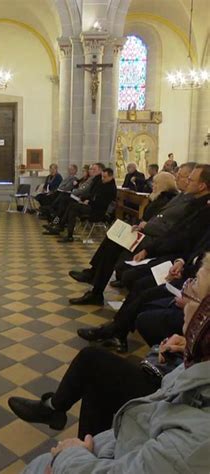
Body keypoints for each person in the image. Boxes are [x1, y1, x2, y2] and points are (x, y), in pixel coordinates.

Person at [16, 254, 210, 474]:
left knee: (96, 364)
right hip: (130, 437)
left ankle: (56, 410)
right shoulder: (197, 368)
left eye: (193, 291)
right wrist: (188, 347)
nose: (184, 302)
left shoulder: (196, 440)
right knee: (98, 368)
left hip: (128, 443)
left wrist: (70, 457)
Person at [68, 163, 201, 305]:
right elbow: (160, 218)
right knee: (112, 235)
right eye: (178, 175)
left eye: (181, 176)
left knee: (114, 243)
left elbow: (170, 228)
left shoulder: (191, 202)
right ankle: (93, 275)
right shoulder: (181, 197)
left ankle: (96, 289)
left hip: (153, 240)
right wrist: (143, 224)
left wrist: (146, 226)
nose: (178, 179)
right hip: (148, 234)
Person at [47, 167, 117, 243]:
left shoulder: (111, 188)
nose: (102, 178)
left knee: (73, 207)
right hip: (92, 206)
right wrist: (85, 199)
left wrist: (89, 201)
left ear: (111, 176)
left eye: (105, 177)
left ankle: (65, 231)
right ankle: (62, 228)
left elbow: (102, 203)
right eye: (102, 176)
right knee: (71, 204)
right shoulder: (102, 183)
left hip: (97, 211)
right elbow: (93, 195)